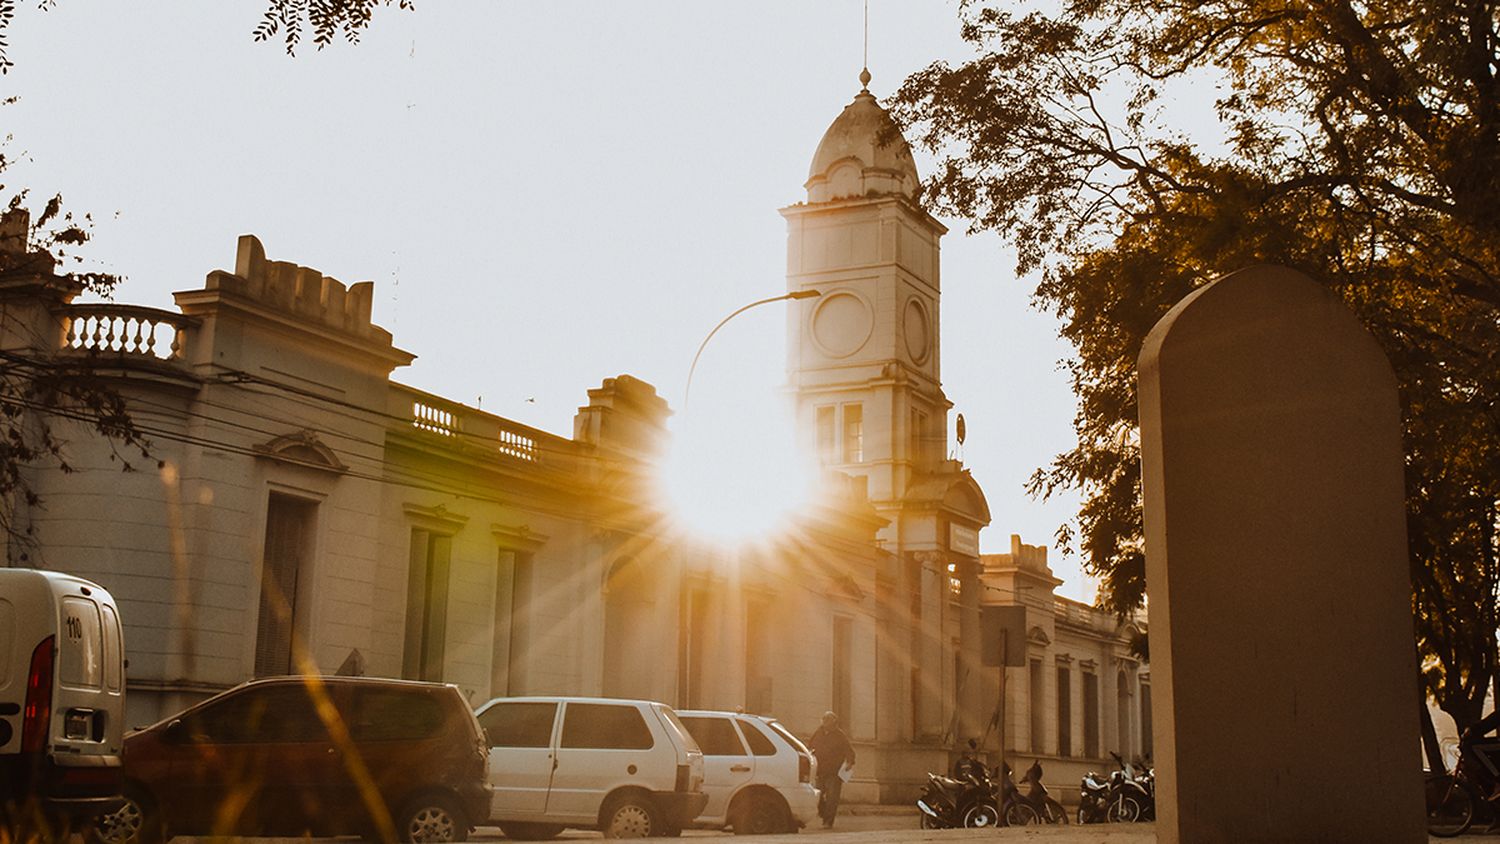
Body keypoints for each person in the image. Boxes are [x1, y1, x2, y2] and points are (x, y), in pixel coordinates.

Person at [809, 710, 855, 828]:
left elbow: (849, 750)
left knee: (832, 798)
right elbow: (810, 746)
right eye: (824, 719)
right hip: (820, 770)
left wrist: (850, 762)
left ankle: (828, 821)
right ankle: (824, 814)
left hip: (834, 772)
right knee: (817, 796)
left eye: (828, 720)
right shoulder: (818, 733)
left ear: (834, 722)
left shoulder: (840, 735)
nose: (825, 722)